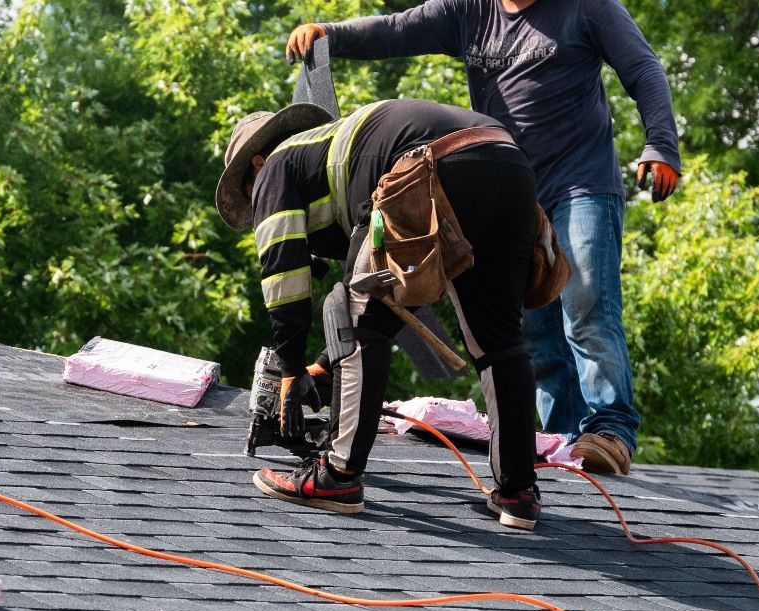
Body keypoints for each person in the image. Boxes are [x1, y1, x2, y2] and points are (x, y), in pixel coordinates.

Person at [285, 0, 681, 475]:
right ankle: (563, 440)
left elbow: (643, 69)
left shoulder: (588, 8)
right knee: (531, 325)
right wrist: (330, 34)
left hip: (582, 184)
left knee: (586, 306)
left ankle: (611, 428)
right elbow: (397, 29)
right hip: (515, 190)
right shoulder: (469, 10)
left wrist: (660, 144)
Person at [216, 98, 544, 529]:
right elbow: (399, 291)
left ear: (257, 163)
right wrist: (323, 367)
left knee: (347, 312)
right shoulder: (332, 157)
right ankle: (517, 491)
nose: (259, 207)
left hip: (436, 166)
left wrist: (292, 370)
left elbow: (285, 278)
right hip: (508, 163)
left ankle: (337, 475)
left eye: (251, 197)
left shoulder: (276, 167)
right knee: (500, 341)